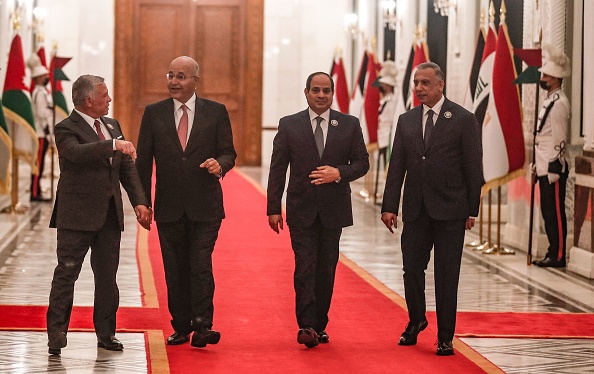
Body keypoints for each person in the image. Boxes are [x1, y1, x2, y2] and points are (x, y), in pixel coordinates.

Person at [380, 62, 483, 356]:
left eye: (425, 83)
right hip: (415, 210)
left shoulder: (463, 119)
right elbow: (396, 166)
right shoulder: (406, 120)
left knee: (447, 275)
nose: (419, 89)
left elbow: (473, 168)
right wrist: (389, 206)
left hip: (451, 210)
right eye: (416, 83)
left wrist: (471, 209)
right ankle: (416, 320)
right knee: (411, 269)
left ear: (440, 84)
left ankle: (445, 336)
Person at [47, 75, 151, 356]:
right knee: (66, 274)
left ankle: (106, 334)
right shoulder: (65, 128)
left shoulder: (112, 125)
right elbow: (77, 153)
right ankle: (56, 334)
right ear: (89, 100)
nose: (110, 100)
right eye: (105, 95)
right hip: (76, 215)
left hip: (108, 216)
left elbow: (126, 169)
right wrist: (113, 146)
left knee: (108, 278)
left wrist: (139, 202)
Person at [136, 56, 236, 349]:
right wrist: (142, 202)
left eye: (181, 76)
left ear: (195, 81)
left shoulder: (216, 112)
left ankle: (203, 325)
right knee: (175, 267)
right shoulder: (154, 113)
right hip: (168, 206)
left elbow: (229, 152)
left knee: (200, 264)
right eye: (170, 75)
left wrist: (221, 164)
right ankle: (181, 326)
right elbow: (143, 162)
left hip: (205, 206)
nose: (174, 81)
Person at [267, 72, 369, 348]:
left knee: (326, 268)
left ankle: (319, 324)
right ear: (306, 92)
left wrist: (339, 172)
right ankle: (307, 325)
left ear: (333, 93)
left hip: (334, 210)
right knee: (304, 267)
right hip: (301, 209)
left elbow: (362, 163)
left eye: (326, 90)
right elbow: (278, 168)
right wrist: (273, 207)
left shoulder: (348, 124)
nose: (321, 95)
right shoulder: (290, 125)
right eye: (316, 90)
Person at [532, 44, 571, 268]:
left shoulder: (559, 104)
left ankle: (558, 254)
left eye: (546, 75)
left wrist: (555, 165)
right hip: (544, 163)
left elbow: (559, 138)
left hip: (553, 165)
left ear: (555, 79)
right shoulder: (550, 100)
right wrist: (537, 164)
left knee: (555, 212)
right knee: (548, 211)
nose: (543, 78)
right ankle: (552, 250)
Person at [27, 54, 53, 202]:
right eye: (44, 76)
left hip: (42, 133)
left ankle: (36, 190)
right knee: (38, 163)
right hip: (40, 133)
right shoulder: (40, 93)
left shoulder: (41, 92)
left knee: (40, 163)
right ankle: (34, 192)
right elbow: (42, 113)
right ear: (37, 78)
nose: (46, 77)